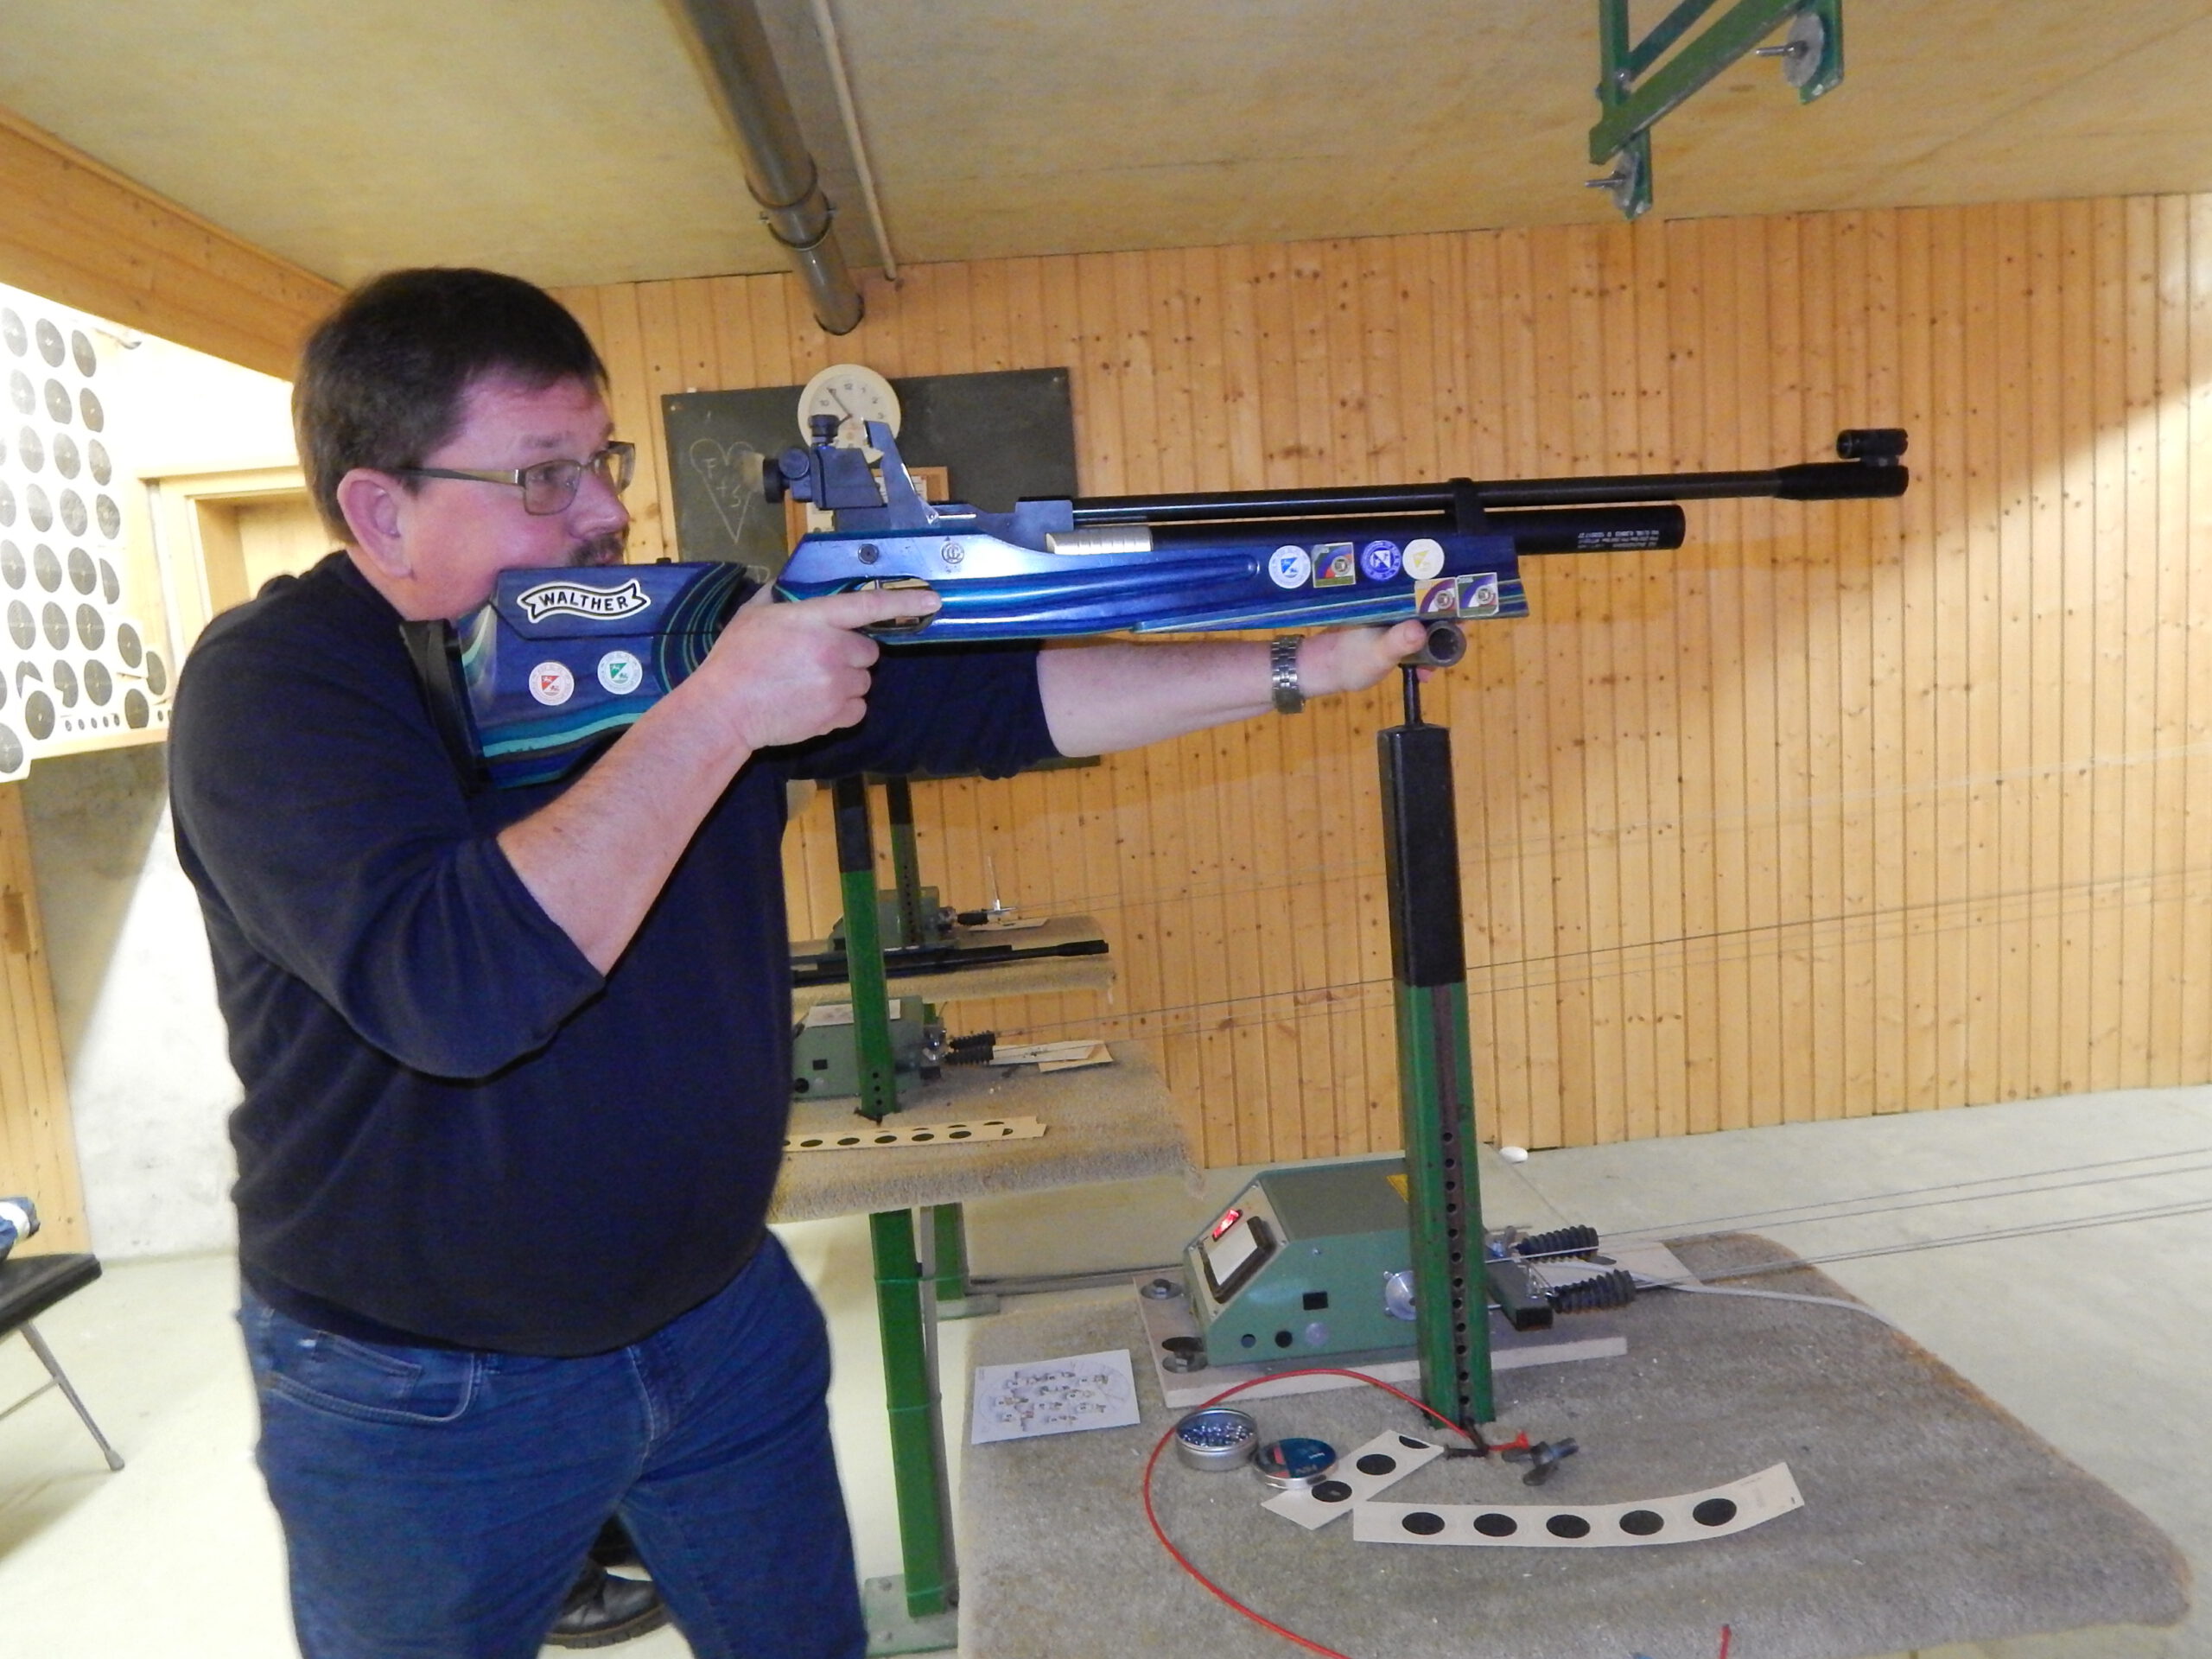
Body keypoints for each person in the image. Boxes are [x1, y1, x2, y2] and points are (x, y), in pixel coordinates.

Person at [168, 267, 1426, 1659]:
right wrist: (721, 715)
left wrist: (1297, 665)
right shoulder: (277, 689)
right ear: (379, 509)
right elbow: (459, 992)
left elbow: (993, 702)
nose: (602, 511)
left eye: (603, 461)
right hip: (425, 1386)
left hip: (717, 1319)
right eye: (543, 477)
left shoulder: (648, 633)